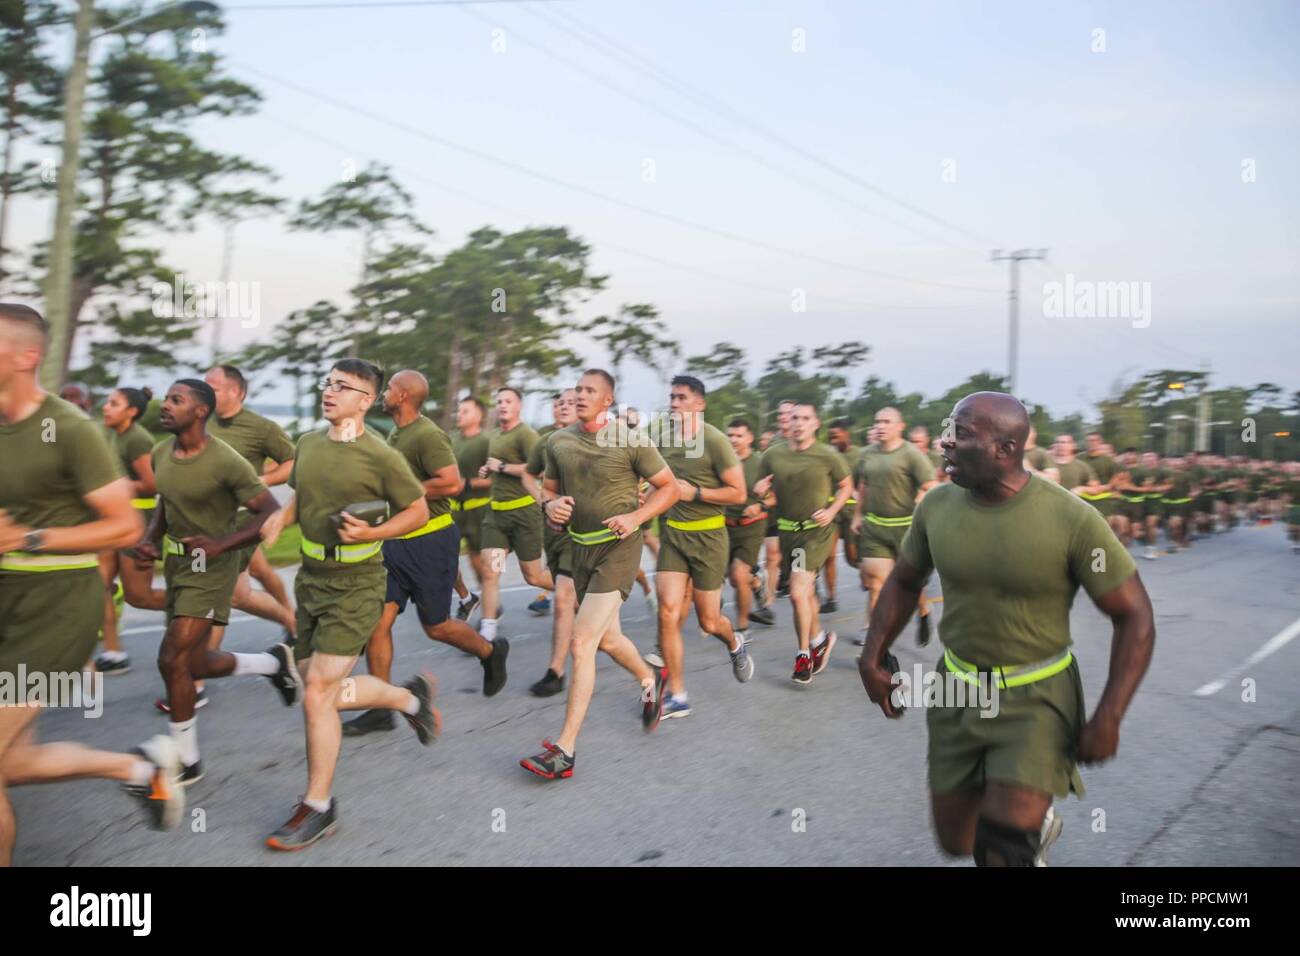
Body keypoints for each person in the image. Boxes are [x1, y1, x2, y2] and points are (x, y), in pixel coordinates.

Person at [859, 392, 1155, 867]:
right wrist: (872, 655)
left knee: (1000, 852)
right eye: (947, 429)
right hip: (956, 691)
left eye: (961, 434)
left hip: (1036, 697)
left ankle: (1020, 836)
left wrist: (1111, 715)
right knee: (958, 841)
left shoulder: (1072, 519)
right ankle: (1031, 826)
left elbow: (1135, 614)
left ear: (1004, 449)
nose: (946, 442)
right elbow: (904, 580)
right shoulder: (936, 507)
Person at [0, 303, 185, 865]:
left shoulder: (70, 430)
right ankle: (138, 769)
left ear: (27, 356)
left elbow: (123, 525)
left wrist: (26, 538)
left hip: (56, 607)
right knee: (10, 763)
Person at [258, 359, 441, 850]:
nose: (331, 392)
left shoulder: (380, 456)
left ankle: (317, 807)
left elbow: (418, 509)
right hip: (311, 578)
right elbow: (301, 491)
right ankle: (409, 699)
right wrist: (281, 519)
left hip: (357, 583)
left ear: (366, 400)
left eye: (344, 386)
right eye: (328, 383)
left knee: (319, 690)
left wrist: (375, 532)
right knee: (319, 690)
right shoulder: (310, 444)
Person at [135, 378, 300, 783]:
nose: (166, 405)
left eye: (177, 400)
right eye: (167, 398)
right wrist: (150, 540)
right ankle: (271, 663)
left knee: (170, 658)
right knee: (193, 663)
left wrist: (221, 544)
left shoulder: (226, 461)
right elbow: (165, 504)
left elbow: (266, 513)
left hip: (212, 569)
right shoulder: (161, 453)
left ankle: (187, 761)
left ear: (201, 411)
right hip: (178, 567)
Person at [518, 369, 675, 780]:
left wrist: (638, 516)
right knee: (607, 639)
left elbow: (669, 487)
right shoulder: (559, 441)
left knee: (581, 640)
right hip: (579, 547)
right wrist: (549, 508)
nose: (580, 395)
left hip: (619, 550)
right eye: (578, 389)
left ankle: (565, 750)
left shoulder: (630, 439)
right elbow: (548, 489)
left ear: (607, 400)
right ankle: (650, 676)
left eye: (589, 391)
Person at [344, 370, 509, 737]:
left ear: (403, 396)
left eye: (389, 389)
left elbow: (450, 483)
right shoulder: (396, 432)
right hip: (396, 542)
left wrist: (404, 490)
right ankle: (381, 707)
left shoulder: (427, 434)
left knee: (436, 627)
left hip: (430, 541)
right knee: (377, 623)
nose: (384, 394)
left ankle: (489, 652)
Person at [646, 376, 751, 719]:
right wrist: (638, 515)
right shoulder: (662, 438)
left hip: (709, 538)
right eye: (672, 397)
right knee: (667, 611)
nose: (674, 404)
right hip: (674, 535)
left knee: (708, 621)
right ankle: (678, 694)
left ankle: (734, 642)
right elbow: (660, 485)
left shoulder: (716, 442)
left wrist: (696, 493)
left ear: (699, 405)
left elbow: (738, 493)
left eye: (682, 398)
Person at [753, 402, 853, 685]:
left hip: (816, 532)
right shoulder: (773, 456)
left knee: (798, 592)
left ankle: (803, 655)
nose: (798, 423)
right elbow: (768, 497)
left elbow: (847, 485)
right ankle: (820, 640)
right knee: (805, 594)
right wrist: (760, 493)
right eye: (794, 418)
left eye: (805, 418)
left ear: (816, 424)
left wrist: (832, 511)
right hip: (789, 534)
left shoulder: (826, 455)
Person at [850, 407, 937, 647]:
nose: (880, 426)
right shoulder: (866, 454)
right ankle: (874, 637)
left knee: (910, 582)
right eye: (877, 422)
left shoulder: (911, 454)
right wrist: (857, 516)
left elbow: (931, 483)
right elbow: (862, 486)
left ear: (900, 426)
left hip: (905, 529)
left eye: (887, 422)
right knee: (876, 583)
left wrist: (920, 494)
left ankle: (924, 613)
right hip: (875, 528)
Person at [477, 387, 553, 643]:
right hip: (497, 517)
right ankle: (487, 630)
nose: (502, 405)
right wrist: (488, 470)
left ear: (519, 405)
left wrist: (504, 467)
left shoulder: (526, 434)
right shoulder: (495, 435)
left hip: (523, 515)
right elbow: (498, 465)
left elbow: (539, 471)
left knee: (534, 576)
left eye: (508, 401)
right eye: (499, 401)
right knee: (490, 572)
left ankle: (575, 591)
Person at [95, 386, 157, 676]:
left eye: (114, 403)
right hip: (111, 520)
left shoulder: (137, 439)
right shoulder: (113, 435)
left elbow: (151, 484)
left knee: (138, 596)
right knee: (98, 586)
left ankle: (198, 608)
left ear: (131, 411)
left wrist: (114, 489)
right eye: (107, 402)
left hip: (138, 521)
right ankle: (114, 652)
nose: (106, 408)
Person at [521, 388, 579, 697]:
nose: (565, 407)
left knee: (562, 599)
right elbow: (529, 476)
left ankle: (555, 671)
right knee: (570, 601)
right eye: (559, 403)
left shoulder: (600, 439)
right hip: (554, 530)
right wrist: (545, 502)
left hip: (587, 533)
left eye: (571, 402)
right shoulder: (545, 442)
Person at [725, 418, 774, 633]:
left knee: (738, 574)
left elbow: (776, 497)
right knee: (737, 581)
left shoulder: (761, 463)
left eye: (739, 435)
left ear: (750, 438)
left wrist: (760, 504)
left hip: (751, 526)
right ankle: (757, 582)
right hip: (725, 526)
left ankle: (742, 629)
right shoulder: (722, 461)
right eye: (730, 435)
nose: (734, 440)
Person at [450, 396, 491, 619]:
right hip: (453, 510)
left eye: (465, 411)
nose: (459, 414)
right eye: (459, 410)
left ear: (479, 415)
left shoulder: (486, 441)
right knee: (445, 557)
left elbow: (496, 479)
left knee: (477, 562)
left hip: (479, 510)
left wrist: (466, 483)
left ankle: (489, 601)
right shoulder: (452, 439)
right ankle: (467, 597)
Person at [823, 418, 860, 613]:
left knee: (852, 557)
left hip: (852, 511)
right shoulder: (827, 455)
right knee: (828, 556)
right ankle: (831, 598)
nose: (832, 440)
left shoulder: (859, 456)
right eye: (830, 437)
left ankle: (871, 575)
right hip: (832, 511)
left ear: (846, 434)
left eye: (836, 436)